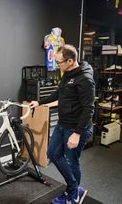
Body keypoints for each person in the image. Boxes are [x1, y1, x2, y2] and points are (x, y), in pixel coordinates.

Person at [30, 44, 95, 204]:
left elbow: (89, 109)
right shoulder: (67, 73)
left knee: (72, 161)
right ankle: (74, 187)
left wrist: (77, 133)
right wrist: (39, 102)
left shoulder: (85, 79)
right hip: (63, 124)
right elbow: (59, 92)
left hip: (76, 128)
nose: (57, 65)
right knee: (53, 154)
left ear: (71, 60)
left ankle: (74, 195)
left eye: (59, 62)